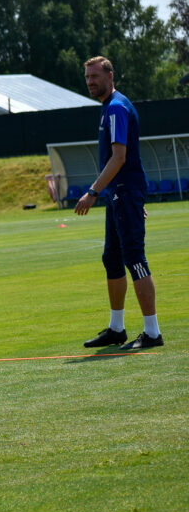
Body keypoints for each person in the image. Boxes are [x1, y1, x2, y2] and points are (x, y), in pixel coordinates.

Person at [76, 56, 163, 350]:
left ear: (110, 76)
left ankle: (152, 332)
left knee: (135, 259)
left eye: (95, 76)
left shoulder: (115, 107)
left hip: (123, 192)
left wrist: (93, 191)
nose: (90, 81)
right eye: (87, 77)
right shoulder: (109, 107)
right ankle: (117, 328)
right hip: (120, 195)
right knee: (111, 259)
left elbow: (120, 157)